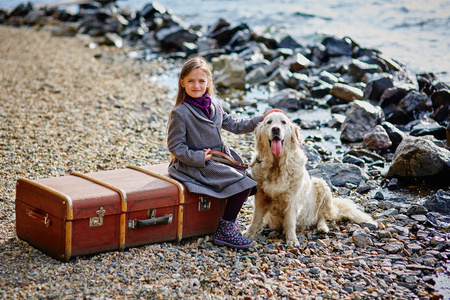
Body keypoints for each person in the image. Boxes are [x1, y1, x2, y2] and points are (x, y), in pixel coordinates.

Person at [167, 56, 278, 249]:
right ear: (182, 82)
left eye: (201, 81)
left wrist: (262, 118)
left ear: (209, 82)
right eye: (191, 81)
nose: (196, 85)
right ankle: (225, 230)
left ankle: (226, 217)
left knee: (252, 184)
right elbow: (175, 147)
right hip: (195, 164)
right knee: (242, 185)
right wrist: (200, 157)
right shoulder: (180, 113)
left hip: (220, 158)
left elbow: (235, 124)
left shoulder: (215, 105)